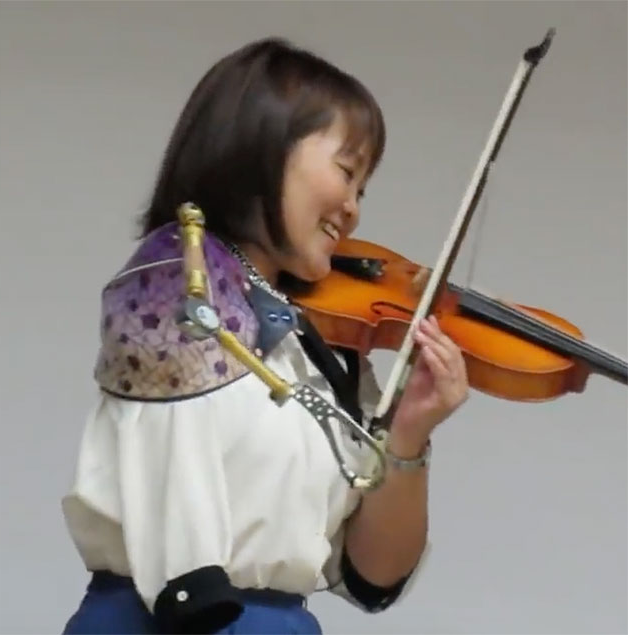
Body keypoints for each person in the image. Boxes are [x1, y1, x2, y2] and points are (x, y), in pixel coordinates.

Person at [61, 37, 468, 634]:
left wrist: (408, 434)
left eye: (362, 190)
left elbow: (372, 574)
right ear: (265, 147)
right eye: (346, 173)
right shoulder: (176, 276)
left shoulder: (321, 341)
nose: (353, 209)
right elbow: (177, 482)